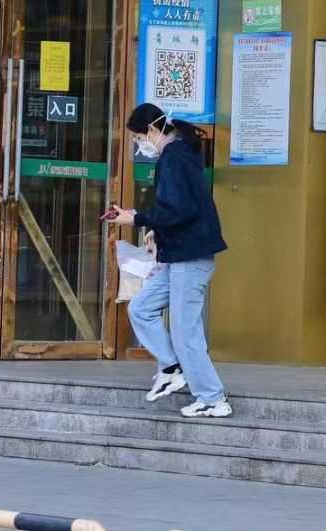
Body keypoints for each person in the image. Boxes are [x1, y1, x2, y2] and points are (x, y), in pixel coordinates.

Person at [109, 103, 231, 419]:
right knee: (141, 308)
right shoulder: (179, 154)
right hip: (179, 256)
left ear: (152, 130)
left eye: (139, 138)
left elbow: (177, 210)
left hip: (189, 258)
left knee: (185, 331)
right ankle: (172, 367)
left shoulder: (173, 157)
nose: (140, 144)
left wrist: (136, 219)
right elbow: (183, 209)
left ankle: (212, 398)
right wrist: (155, 231)